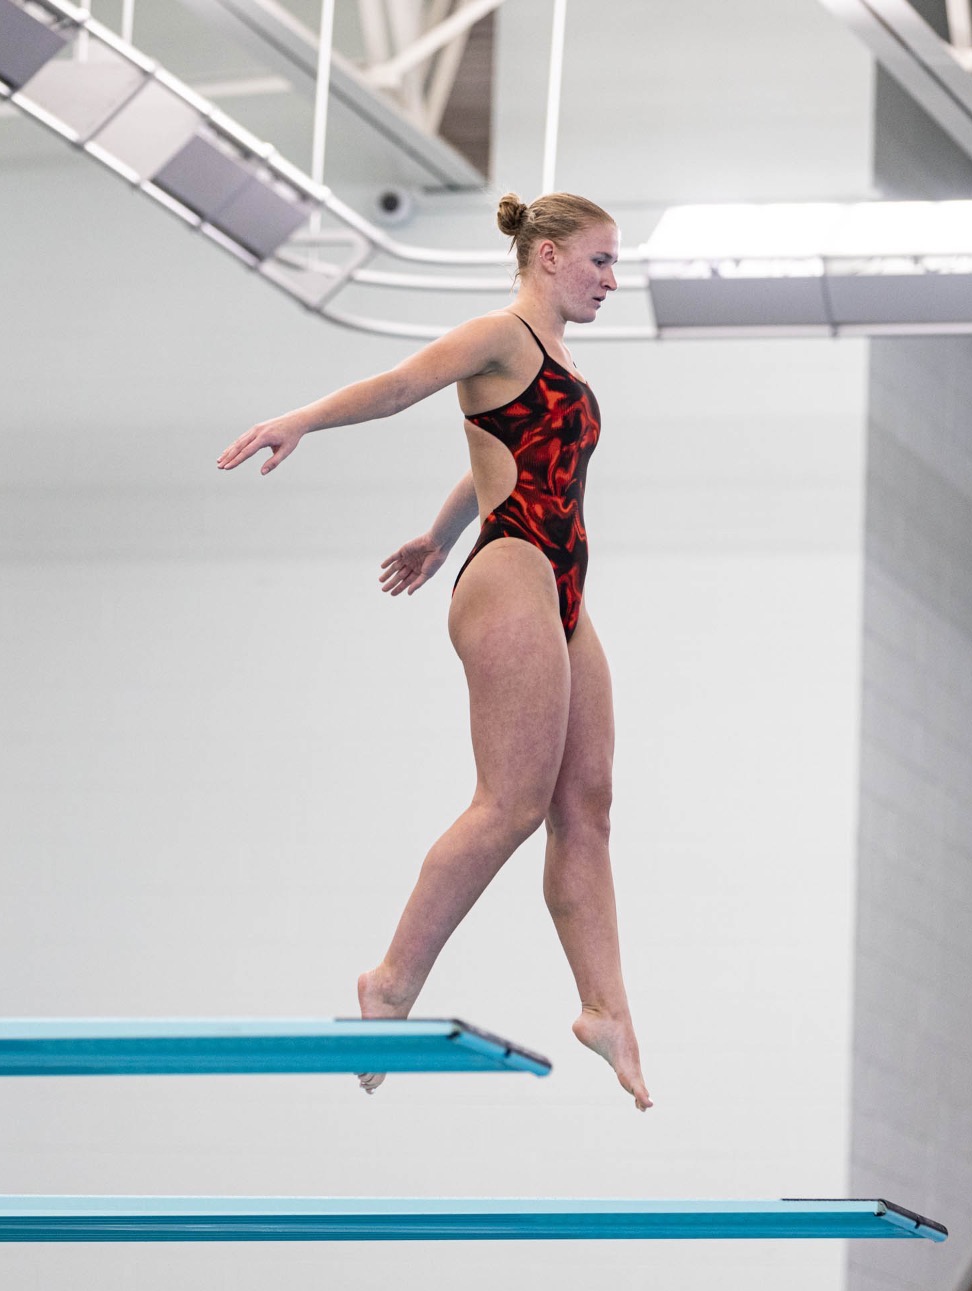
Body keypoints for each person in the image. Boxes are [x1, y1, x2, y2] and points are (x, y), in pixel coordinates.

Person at [216, 191, 651, 1110]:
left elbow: (498, 451)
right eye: (602, 261)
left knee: (588, 803)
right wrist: (303, 418)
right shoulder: (499, 336)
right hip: (516, 568)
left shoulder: (560, 361)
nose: (613, 280)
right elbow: (401, 387)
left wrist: (437, 535)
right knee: (511, 803)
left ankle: (605, 1008)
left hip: (559, 581)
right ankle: (391, 983)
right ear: (547, 257)